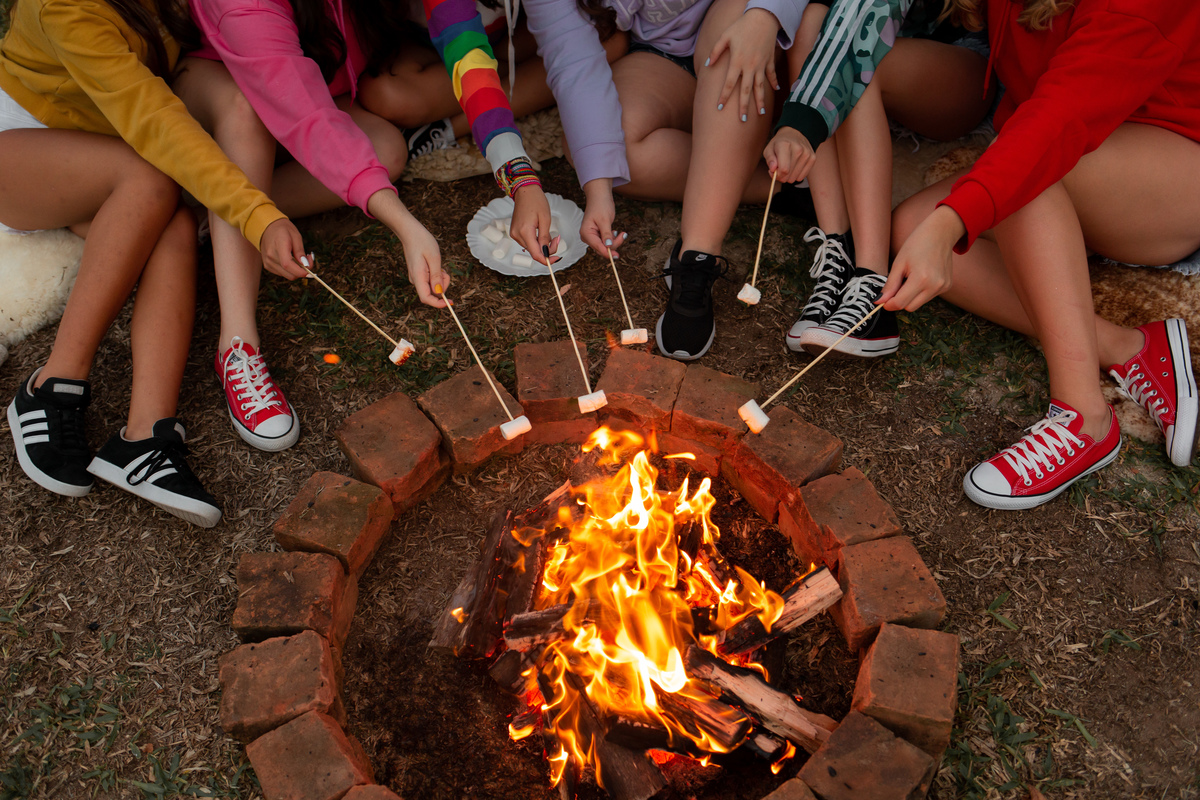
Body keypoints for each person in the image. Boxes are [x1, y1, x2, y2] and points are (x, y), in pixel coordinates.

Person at [175, 0, 555, 451]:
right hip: (223, 86)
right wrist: (404, 224)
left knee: (386, 151)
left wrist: (518, 175)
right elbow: (306, 115)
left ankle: (213, 209)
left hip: (316, 87)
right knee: (243, 111)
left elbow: (465, 46)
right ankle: (237, 346)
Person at [1, 0, 309, 526]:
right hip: (21, 141)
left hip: (102, 137)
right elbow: (155, 120)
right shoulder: (61, 7)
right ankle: (51, 386)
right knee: (152, 182)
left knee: (173, 221)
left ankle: (145, 436)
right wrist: (256, 215)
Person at [887, 0, 1200, 509]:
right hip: (1087, 158)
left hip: (1173, 169)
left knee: (1022, 174)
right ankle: (1127, 347)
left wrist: (952, 221)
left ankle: (1086, 417)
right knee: (910, 228)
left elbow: (1053, 127)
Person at [525, 0, 816, 360]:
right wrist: (598, 191)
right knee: (610, 150)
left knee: (733, 42)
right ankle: (779, 186)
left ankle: (698, 253)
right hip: (666, 54)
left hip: (761, 35)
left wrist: (766, 14)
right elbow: (571, 61)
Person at [764, 0, 994, 359]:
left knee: (861, 57)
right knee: (813, 21)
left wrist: (799, 123)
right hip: (889, 46)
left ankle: (872, 279)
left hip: (961, 63)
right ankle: (838, 251)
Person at [360, 0, 627, 161]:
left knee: (609, 40)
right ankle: (491, 80)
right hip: (439, 45)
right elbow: (465, 49)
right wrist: (514, 169)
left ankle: (448, 127)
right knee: (384, 94)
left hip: (510, 36)